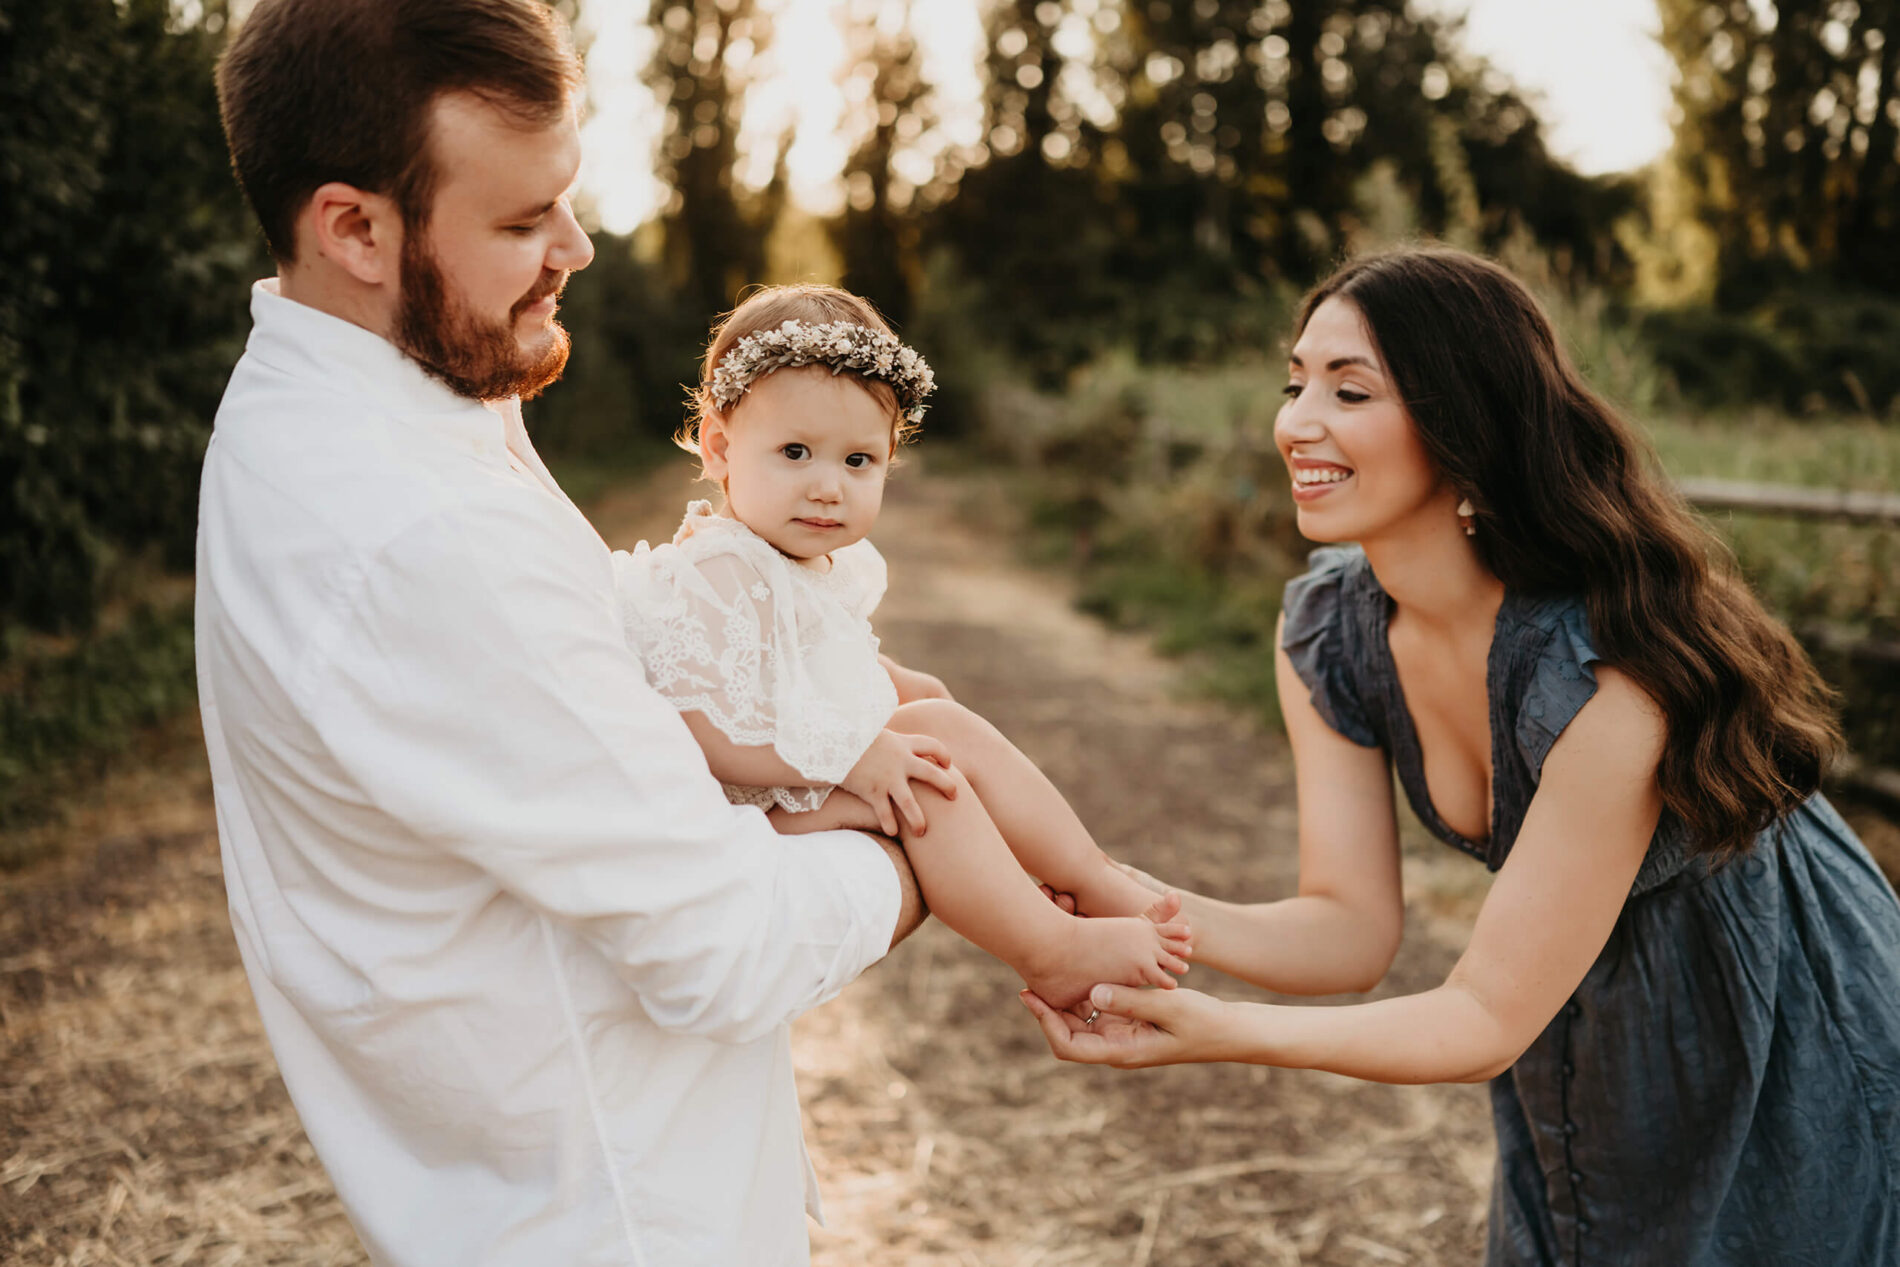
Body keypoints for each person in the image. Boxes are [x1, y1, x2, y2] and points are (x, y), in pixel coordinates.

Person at [200, 3, 930, 1262]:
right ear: (355, 229)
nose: (576, 249)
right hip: (611, 1215)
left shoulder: (372, 408)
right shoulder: (419, 523)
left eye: (568, 201)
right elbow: (725, 948)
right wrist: (932, 835)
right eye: (522, 220)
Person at [1021, 247, 1900, 1265]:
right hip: (1572, 1021)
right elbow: (1346, 929)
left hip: (1787, 1023)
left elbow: (1483, 1014)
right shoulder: (1330, 629)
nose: (1296, 421)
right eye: (1295, 383)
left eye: (1349, 390)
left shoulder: (1608, 676)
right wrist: (1119, 891)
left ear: (1463, 425)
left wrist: (1219, 1027)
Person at [615, 285, 1193, 1010]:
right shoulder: (722, 568)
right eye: (795, 452)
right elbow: (709, 727)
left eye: (858, 460)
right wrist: (852, 758)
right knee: (921, 775)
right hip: (745, 801)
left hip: (786, 777)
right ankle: (1050, 948)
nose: (828, 487)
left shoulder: (788, 560)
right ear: (720, 447)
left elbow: (808, 661)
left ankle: (1089, 874)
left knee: (937, 718)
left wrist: (896, 683)